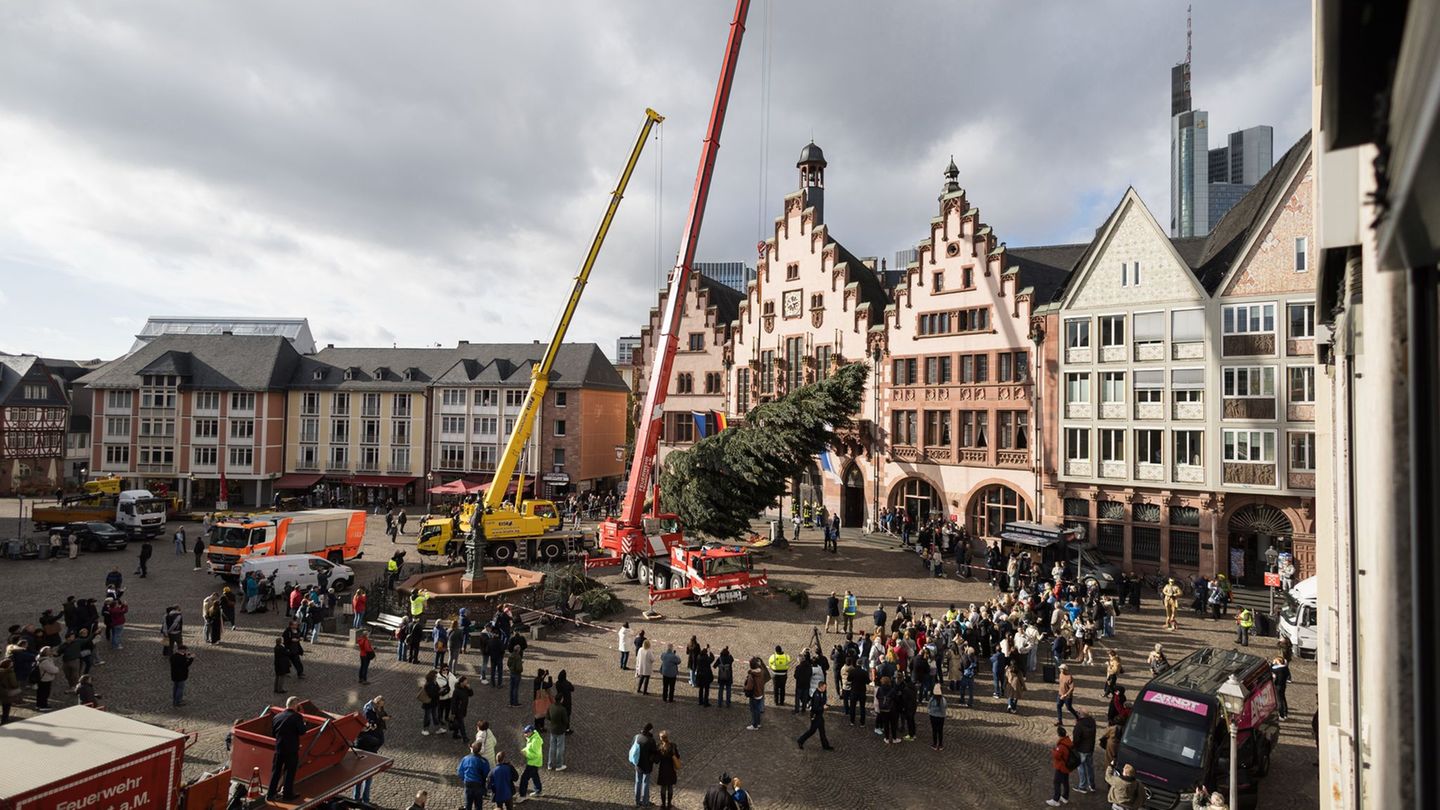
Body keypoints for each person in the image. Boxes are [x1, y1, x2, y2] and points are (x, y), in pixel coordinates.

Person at [269, 696, 309, 801]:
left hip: (279, 748)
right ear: (295, 705)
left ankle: (270, 794)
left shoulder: (277, 717)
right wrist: (305, 723)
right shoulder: (297, 717)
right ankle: (287, 794)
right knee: (289, 772)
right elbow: (302, 731)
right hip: (291, 749)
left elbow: (273, 733)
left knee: (276, 771)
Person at [796, 681, 833, 750]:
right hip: (816, 716)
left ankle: (825, 746)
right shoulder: (816, 695)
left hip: (819, 716)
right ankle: (800, 740)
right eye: (824, 687)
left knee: (821, 731)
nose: (825, 689)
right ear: (821, 687)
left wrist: (827, 704)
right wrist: (823, 707)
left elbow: (823, 702)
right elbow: (815, 708)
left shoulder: (821, 693)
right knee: (812, 731)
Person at [631, 723, 658, 807]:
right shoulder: (650, 740)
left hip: (638, 764)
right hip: (647, 766)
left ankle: (637, 801)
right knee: (645, 782)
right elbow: (655, 752)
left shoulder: (637, 737)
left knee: (638, 782)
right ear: (650, 730)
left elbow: (632, 746)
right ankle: (645, 802)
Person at [457, 742, 490, 810]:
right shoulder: (483, 761)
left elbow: (460, 772)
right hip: (478, 785)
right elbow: (486, 773)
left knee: (468, 804)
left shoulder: (465, 758)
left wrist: (465, 779)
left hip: (468, 783)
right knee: (478, 805)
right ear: (480, 750)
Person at [1047, 726, 1074, 807]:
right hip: (1067, 767)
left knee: (1056, 782)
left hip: (1061, 767)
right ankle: (1065, 797)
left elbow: (1056, 756)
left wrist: (1054, 751)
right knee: (1065, 782)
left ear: (1059, 735)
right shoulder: (1068, 741)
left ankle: (1056, 799)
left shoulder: (1061, 746)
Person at [1072, 708, 1097, 793]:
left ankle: (1082, 786)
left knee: (1081, 768)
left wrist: (1073, 748)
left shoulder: (1079, 725)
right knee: (1090, 767)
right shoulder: (1092, 722)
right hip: (1090, 748)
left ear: (1080, 715)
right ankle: (1092, 785)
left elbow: (1076, 739)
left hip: (1081, 749)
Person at [655, 730, 680, 810]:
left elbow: (657, 760)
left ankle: (663, 805)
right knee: (670, 787)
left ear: (661, 738)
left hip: (663, 770)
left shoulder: (659, 747)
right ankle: (669, 804)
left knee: (663, 788)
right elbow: (678, 756)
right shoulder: (673, 746)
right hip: (671, 769)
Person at [743, 656, 769, 730]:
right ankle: (758, 723)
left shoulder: (752, 675)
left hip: (754, 694)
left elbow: (749, 687)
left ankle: (754, 725)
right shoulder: (761, 671)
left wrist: (744, 687)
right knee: (757, 709)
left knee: (754, 710)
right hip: (760, 693)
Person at [519, 724, 543, 799]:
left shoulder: (535, 741)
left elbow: (536, 755)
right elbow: (530, 748)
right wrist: (525, 749)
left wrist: (526, 754)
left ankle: (522, 796)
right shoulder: (532, 737)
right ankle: (538, 790)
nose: (525, 734)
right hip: (535, 762)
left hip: (533, 763)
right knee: (535, 775)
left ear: (531, 732)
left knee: (524, 778)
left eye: (526, 733)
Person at [546, 691, 569, 769]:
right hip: (560, 730)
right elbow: (566, 721)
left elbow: (548, 717)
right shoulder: (562, 709)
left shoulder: (551, 706)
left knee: (552, 747)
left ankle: (550, 764)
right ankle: (559, 765)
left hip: (552, 729)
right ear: (561, 699)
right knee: (560, 748)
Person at [926, 683, 948, 750]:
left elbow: (928, 706)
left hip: (933, 716)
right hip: (941, 717)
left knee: (934, 730)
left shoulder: (932, 699)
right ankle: (940, 744)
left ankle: (935, 744)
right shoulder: (943, 700)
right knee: (940, 731)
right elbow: (945, 707)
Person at [452, 675, 474, 740]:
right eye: (465, 681)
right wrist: (453, 712)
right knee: (461, 723)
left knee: (458, 722)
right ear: (461, 682)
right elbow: (453, 702)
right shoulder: (456, 691)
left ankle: (455, 734)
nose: (467, 682)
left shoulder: (465, 688)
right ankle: (464, 737)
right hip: (458, 710)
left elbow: (471, 694)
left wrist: (470, 688)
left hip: (463, 708)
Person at [419, 670, 440, 735]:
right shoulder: (429, 684)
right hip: (428, 703)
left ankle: (437, 728)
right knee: (427, 716)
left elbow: (437, 690)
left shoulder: (435, 682)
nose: (436, 677)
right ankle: (425, 729)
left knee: (435, 716)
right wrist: (439, 693)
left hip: (434, 703)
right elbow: (431, 694)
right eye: (436, 676)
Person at [1271, 655, 1292, 719]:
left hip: (1278, 685)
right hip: (1283, 685)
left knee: (1279, 700)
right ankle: (1285, 713)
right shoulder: (1285, 668)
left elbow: (1271, 669)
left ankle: (1281, 714)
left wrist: (1272, 664)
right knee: (1283, 699)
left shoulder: (1277, 669)